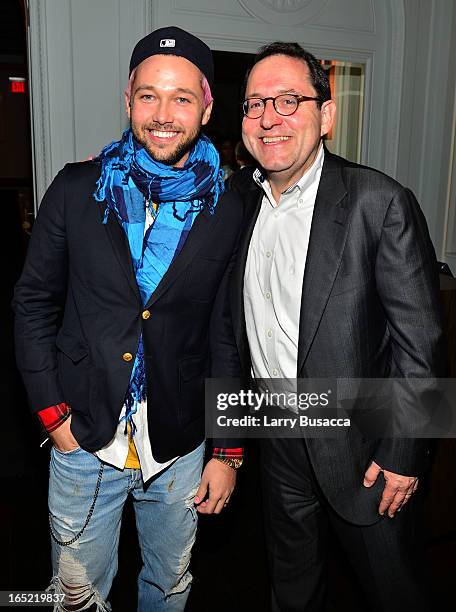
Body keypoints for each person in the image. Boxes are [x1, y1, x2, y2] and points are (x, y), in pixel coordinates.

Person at [13, 26, 243, 612]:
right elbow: (33, 304)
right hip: (83, 437)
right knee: (75, 598)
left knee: (169, 588)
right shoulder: (75, 187)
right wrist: (52, 416)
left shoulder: (233, 204)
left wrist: (227, 450)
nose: (163, 114)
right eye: (149, 95)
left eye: (182, 98)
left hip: (181, 443)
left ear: (207, 107)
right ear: (128, 99)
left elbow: (228, 333)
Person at [229, 41, 445, 611]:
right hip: (273, 435)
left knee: (395, 592)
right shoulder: (237, 202)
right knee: (291, 589)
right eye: (255, 104)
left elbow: (420, 344)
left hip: (365, 448)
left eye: (288, 100)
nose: (268, 118)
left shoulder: (379, 201)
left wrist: (405, 450)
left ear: (326, 115)